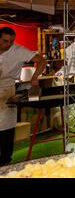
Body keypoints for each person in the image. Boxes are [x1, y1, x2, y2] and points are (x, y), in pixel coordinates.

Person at [0, 27, 46, 166]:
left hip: (7, 88)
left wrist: (34, 77)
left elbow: (41, 61)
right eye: (5, 41)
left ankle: (5, 161)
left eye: (11, 41)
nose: (8, 44)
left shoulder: (18, 51)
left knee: (6, 127)